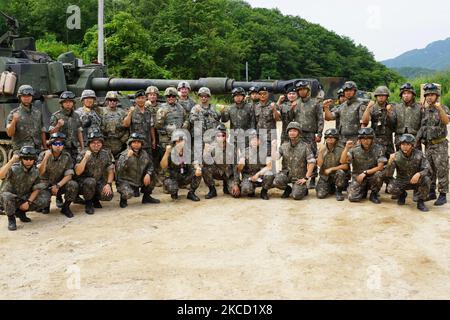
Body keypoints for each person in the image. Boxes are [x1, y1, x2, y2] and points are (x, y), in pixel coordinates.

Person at [416, 83, 450, 206]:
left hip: (440, 144)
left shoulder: (444, 108)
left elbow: (446, 121)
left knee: (442, 169)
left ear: (437, 96)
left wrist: (439, 108)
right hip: (429, 145)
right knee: (430, 169)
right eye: (428, 95)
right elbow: (422, 127)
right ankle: (431, 191)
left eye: (432, 95)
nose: (430, 97)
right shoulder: (425, 110)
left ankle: (442, 194)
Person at [0, 146, 47, 231]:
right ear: (21, 159)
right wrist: (11, 161)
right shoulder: (14, 168)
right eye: (25, 158)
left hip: (23, 197)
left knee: (44, 197)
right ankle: (11, 218)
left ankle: (21, 212)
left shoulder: (35, 171)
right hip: (8, 197)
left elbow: (37, 188)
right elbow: (1, 175)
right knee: (7, 196)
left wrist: (28, 202)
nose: (28, 161)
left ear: (34, 159)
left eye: (31, 158)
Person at [289, 80, 324, 189]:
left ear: (307, 90)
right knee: (299, 155)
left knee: (312, 155)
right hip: (298, 134)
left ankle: (313, 178)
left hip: (310, 133)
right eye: (299, 90)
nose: (301, 91)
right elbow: (290, 119)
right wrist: (291, 109)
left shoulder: (315, 103)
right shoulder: (296, 103)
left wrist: (319, 133)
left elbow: (320, 119)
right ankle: (299, 176)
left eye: (303, 89)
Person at [37, 133, 79, 218]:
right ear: (51, 145)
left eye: (60, 144)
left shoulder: (66, 156)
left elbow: (69, 175)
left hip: (59, 184)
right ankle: (46, 204)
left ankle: (65, 207)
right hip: (45, 185)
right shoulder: (43, 154)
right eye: (55, 144)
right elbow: (40, 172)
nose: (58, 146)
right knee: (42, 203)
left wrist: (58, 186)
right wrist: (46, 158)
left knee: (73, 184)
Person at [386, 134, 431, 212]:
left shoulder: (419, 154)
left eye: (407, 144)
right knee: (390, 187)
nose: (405, 146)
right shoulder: (396, 156)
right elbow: (389, 174)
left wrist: (419, 174)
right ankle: (402, 194)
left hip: (416, 180)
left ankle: (421, 201)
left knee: (426, 179)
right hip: (402, 180)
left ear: (412, 145)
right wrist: (390, 162)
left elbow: (428, 169)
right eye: (403, 144)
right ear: (400, 145)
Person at [341, 128, 386, 204]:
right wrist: (346, 148)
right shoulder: (354, 149)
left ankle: (374, 194)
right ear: (360, 139)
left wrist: (365, 173)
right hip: (358, 177)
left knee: (379, 174)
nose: (366, 141)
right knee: (352, 198)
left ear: (372, 139)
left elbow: (380, 167)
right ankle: (362, 190)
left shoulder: (379, 149)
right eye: (363, 139)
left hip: (372, 176)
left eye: (368, 138)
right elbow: (342, 161)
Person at [272, 122, 316, 200]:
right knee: (276, 181)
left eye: (294, 131)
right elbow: (275, 157)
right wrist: (273, 147)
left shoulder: (305, 146)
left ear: (299, 133)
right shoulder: (284, 146)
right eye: (290, 131)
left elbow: (312, 162)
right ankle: (287, 189)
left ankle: (303, 189)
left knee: (296, 196)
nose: (292, 133)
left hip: (299, 177)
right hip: (287, 175)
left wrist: (306, 178)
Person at [116, 133, 160, 208]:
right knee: (127, 194)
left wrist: (148, 174)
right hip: (127, 182)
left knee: (152, 175)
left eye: (138, 142)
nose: (136, 144)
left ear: (141, 144)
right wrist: (127, 158)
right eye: (134, 142)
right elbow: (119, 170)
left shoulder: (144, 153)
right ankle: (123, 200)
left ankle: (146, 197)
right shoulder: (124, 154)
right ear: (130, 143)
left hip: (139, 180)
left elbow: (150, 165)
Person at [75, 132, 115, 214]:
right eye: (93, 143)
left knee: (108, 196)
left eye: (98, 143)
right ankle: (88, 202)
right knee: (90, 182)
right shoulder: (83, 154)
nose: (96, 145)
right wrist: (85, 158)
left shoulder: (105, 153)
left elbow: (110, 170)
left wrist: (109, 184)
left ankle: (95, 198)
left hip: (98, 181)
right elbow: (78, 172)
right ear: (89, 144)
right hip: (83, 183)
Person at [160, 130, 202, 202]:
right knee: (172, 187)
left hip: (184, 176)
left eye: (181, 141)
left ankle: (191, 193)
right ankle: (174, 192)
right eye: (177, 141)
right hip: (173, 178)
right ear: (174, 142)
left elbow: (194, 161)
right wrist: (166, 153)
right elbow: (163, 166)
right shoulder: (170, 151)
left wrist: (198, 168)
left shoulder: (188, 151)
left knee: (198, 172)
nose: (180, 143)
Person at [202, 124, 239, 199]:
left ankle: (226, 185)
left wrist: (236, 183)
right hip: (218, 172)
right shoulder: (212, 147)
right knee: (205, 169)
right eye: (218, 136)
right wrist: (205, 154)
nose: (220, 138)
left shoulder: (232, 147)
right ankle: (212, 190)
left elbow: (236, 167)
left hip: (229, 174)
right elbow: (205, 162)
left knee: (236, 194)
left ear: (226, 136)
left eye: (223, 135)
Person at [323, 81, 366, 146]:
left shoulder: (360, 105)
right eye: (346, 91)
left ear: (354, 91)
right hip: (341, 139)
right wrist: (326, 108)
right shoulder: (342, 106)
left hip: (354, 139)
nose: (348, 92)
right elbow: (329, 117)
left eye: (350, 90)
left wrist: (361, 139)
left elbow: (363, 123)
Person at [6, 85, 46, 153]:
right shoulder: (13, 113)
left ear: (32, 97)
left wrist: (45, 147)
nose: (26, 98)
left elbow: (42, 131)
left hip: (37, 150)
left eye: (29, 96)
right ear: (20, 97)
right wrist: (14, 121)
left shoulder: (38, 113)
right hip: (21, 151)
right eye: (24, 96)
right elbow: (9, 133)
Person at [236, 129, 274, 199]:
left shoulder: (265, 151)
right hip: (248, 176)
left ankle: (264, 191)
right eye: (252, 140)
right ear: (250, 141)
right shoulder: (245, 151)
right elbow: (239, 169)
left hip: (260, 176)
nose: (254, 142)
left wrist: (257, 174)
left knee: (269, 174)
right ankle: (251, 189)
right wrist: (241, 164)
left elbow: (269, 166)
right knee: (246, 190)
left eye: (256, 140)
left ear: (260, 141)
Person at [361, 86, 396, 159]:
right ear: (376, 97)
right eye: (379, 96)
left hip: (388, 141)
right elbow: (364, 121)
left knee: (390, 162)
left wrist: (389, 112)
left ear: (387, 97)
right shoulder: (373, 107)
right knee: (376, 162)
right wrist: (368, 108)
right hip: (375, 140)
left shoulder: (392, 106)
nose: (381, 97)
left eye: (383, 95)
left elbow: (394, 124)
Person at [48, 91, 84, 162]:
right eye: (65, 102)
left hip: (74, 148)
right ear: (62, 103)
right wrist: (58, 125)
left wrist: (82, 147)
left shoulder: (76, 116)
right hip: (61, 148)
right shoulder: (56, 116)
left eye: (70, 102)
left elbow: (79, 132)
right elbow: (51, 132)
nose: (68, 104)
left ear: (73, 103)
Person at [316, 128, 348, 201]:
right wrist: (320, 152)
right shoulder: (322, 148)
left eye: (332, 137)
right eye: (328, 137)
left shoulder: (341, 149)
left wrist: (332, 169)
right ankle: (331, 187)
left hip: (336, 175)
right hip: (325, 176)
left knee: (341, 172)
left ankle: (339, 191)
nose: (330, 139)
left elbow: (346, 166)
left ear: (336, 139)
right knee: (320, 195)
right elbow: (319, 164)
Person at [122, 89, 157, 156]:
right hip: (135, 143)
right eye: (138, 98)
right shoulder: (131, 110)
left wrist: (153, 140)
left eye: (142, 98)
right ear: (135, 100)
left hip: (147, 143)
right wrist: (130, 113)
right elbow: (126, 124)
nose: (140, 100)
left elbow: (151, 127)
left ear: (146, 99)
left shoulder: (149, 112)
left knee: (148, 162)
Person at [392, 83, 424, 149]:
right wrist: (389, 114)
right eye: (404, 93)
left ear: (413, 95)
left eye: (409, 93)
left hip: (415, 140)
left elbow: (423, 125)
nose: (406, 95)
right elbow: (392, 124)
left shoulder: (419, 108)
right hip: (399, 140)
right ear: (401, 95)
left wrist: (418, 138)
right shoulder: (396, 107)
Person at [100, 91, 129, 159]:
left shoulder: (122, 112)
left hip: (119, 143)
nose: (112, 102)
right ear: (107, 101)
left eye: (114, 100)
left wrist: (123, 140)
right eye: (110, 100)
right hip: (104, 143)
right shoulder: (100, 111)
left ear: (117, 101)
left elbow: (128, 128)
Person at [254, 86, 280, 154]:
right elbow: (253, 122)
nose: (262, 95)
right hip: (259, 137)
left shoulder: (273, 105)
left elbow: (277, 119)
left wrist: (274, 109)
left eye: (264, 93)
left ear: (268, 94)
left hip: (270, 137)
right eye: (260, 94)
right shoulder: (255, 106)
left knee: (269, 158)